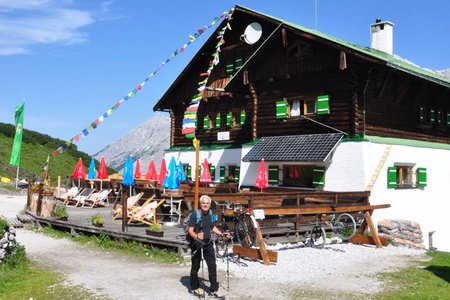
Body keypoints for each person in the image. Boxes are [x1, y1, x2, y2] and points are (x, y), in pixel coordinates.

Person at [187, 195, 230, 298]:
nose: (205, 205)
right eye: (203, 203)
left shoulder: (210, 213)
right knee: (196, 266)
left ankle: (214, 289)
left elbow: (212, 227)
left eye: (207, 203)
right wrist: (197, 235)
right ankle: (194, 287)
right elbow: (190, 230)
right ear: (200, 204)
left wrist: (221, 234)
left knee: (212, 265)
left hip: (207, 242)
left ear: (209, 204)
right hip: (196, 243)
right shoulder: (194, 215)